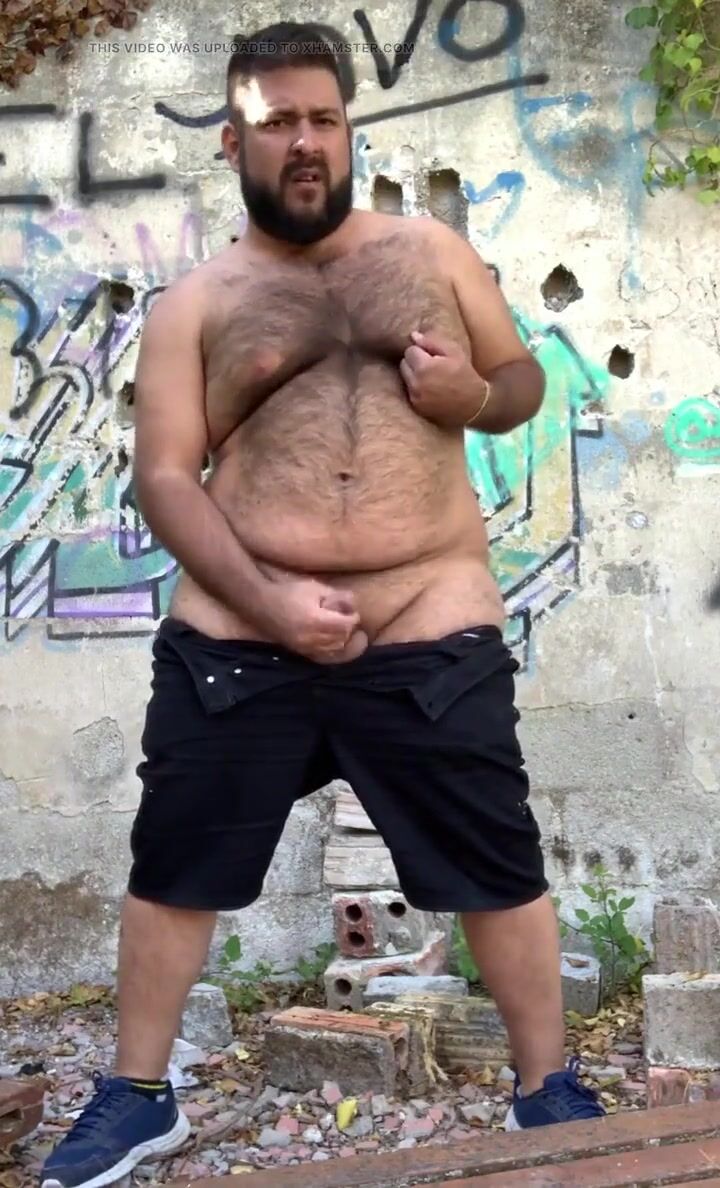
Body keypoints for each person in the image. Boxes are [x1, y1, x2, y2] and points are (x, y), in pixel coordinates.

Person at [41, 20, 604, 1188]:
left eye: (323, 119)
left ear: (350, 130)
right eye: (276, 121)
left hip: (427, 613)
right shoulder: (197, 302)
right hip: (241, 633)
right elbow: (164, 479)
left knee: (496, 859)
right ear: (232, 141)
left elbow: (522, 381)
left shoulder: (431, 253)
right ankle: (138, 1096)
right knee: (176, 861)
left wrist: (471, 395)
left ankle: (545, 1089)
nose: (304, 141)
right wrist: (272, 602)